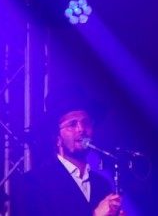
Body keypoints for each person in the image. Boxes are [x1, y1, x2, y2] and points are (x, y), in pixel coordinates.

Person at [13, 85, 124, 216]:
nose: (81, 129)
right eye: (72, 124)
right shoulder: (34, 183)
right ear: (57, 138)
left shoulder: (102, 184)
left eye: (86, 122)